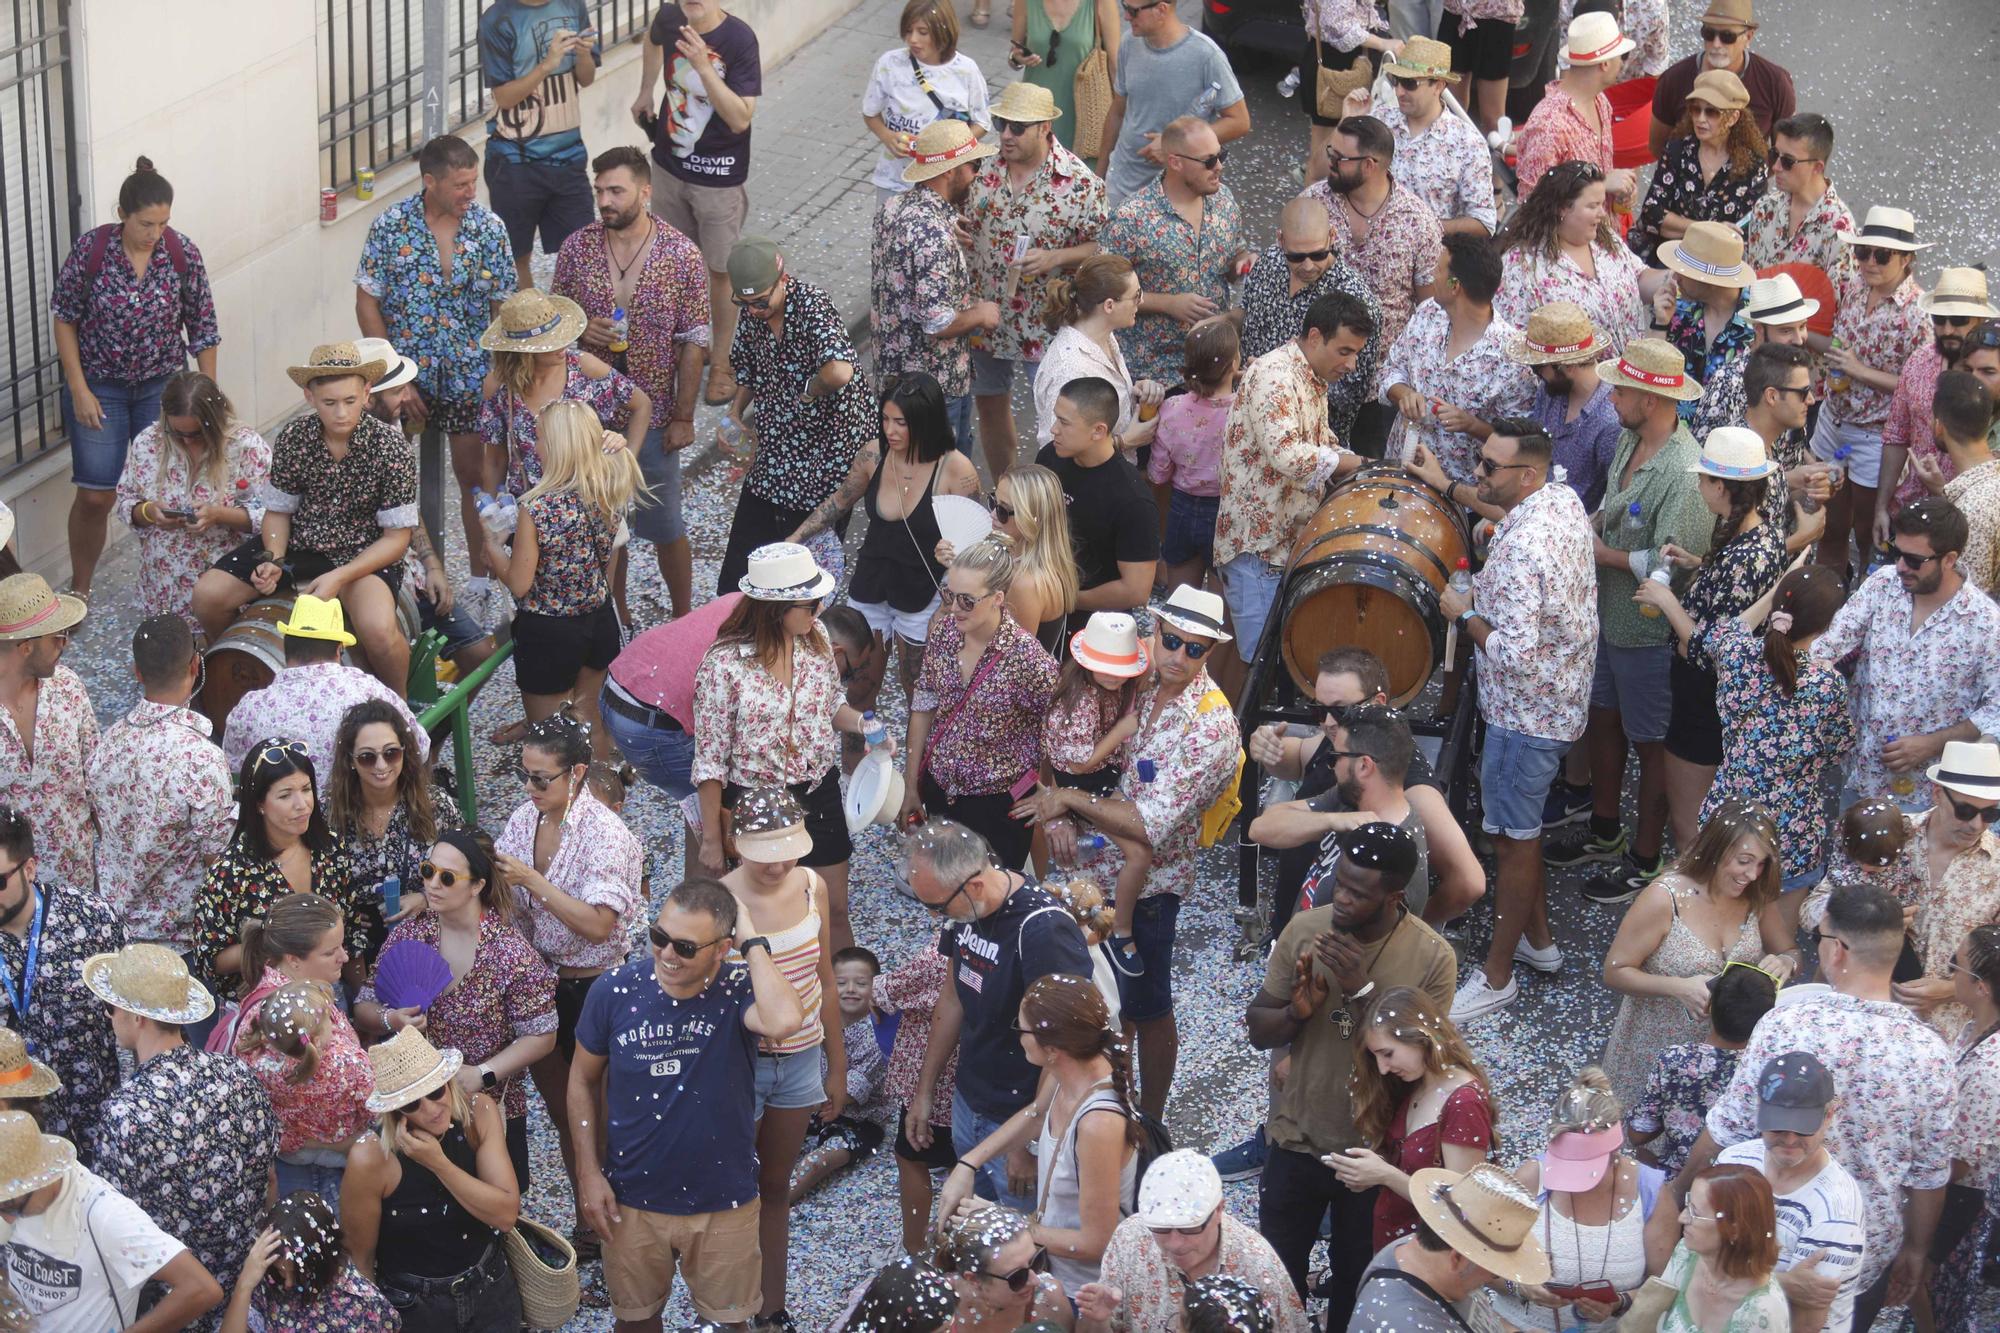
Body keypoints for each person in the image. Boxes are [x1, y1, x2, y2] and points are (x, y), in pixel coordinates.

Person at [1680, 883, 1956, 1331]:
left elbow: (1727, 1129)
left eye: (1820, 938)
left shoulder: (1785, 1024)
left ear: (1839, 950)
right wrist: (1916, 1251)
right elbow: (1929, 1175)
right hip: (1859, 1254)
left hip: (1761, 1238)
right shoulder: (1931, 1052)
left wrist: (1682, 1193)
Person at [1014, 588, 1241, 1115]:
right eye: (1172, 640)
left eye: (1195, 648)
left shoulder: (1210, 727)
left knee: (1146, 1008)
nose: (1178, 656)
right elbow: (1060, 742)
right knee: (1086, 1003)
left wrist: (1068, 800)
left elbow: (1148, 824)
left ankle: (1151, 1120)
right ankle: (1098, 1105)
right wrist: (1061, 812)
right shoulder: (1130, 665)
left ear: (1211, 653)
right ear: (1155, 629)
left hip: (1147, 892)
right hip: (1083, 870)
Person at [570, 877, 805, 1331]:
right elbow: (581, 1079)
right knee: (635, 1320)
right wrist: (587, 1171)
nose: (667, 954)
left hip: (724, 1198)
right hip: (632, 1197)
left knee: (731, 1322)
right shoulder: (615, 990)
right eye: (659, 937)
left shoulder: (739, 987)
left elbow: (784, 1020)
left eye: (684, 946)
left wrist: (752, 940)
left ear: (721, 949)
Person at [1246, 819, 1457, 1328]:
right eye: (1339, 882)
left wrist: (1361, 992)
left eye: (1357, 892)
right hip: (1297, 1138)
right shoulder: (1305, 931)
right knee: (1277, 1282)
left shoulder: (1432, 958)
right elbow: (1259, 1028)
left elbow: (1422, 1065)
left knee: (1357, 1283)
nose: (1340, 898)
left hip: (1374, 1155)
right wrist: (1297, 1014)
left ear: (1394, 896)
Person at [1432, 422, 1596, 1022]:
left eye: (1489, 468)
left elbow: (1514, 653)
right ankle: (1540, 943)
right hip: (1557, 704)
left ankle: (1497, 976)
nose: (1478, 475)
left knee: (1512, 842)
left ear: (1526, 476)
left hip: (1524, 716)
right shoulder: (1562, 498)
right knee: (1517, 835)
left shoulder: (1526, 545)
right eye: (1479, 462)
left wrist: (1463, 612)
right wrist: (1496, 530)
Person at [1544, 339, 1713, 906]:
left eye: (1621, 389)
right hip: (1608, 619)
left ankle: (1645, 856)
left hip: (1646, 632)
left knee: (1652, 744)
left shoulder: (1683, 473)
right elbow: (1612, 514)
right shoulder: (1628, 440)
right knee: (1604, 721)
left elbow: (1675, 565)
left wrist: (1600, 554)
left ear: (1652, 399)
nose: (1611, 396)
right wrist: (1586, 529)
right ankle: (1605, 828)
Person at [193, 344, 419, 692]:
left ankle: (398, 707)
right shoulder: (294, 437)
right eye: (329, 403)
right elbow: (278, 512)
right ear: (309, 397)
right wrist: (273, 559)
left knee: (378, 631)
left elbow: (396, 539)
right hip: (301, 543)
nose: (341, 412)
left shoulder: (391, 449)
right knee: (207, 596)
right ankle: (239, 679)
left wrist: (341, 577)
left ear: (366, 392)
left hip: (363, 553)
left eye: (350, 400)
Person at [898, 819, 1092, 1214]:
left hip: (1018, 1117)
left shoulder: (1043, 931)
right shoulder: (968, 909)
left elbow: (1068, 1043)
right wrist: (925, 1091)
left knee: (1020, 1249)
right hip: (970, 1103)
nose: (936, 917)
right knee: (979, 1237)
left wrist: (1029, 1141)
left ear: (974, 885)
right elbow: (953, 997)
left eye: (937, 907)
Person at [353, 137, 511, 614]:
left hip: (469, 375)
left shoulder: (488, 228)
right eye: (460, 184)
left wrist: (497, 373)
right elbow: (367, 301)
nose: (470, 192)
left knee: (474, 479)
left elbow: (504, 304)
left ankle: (481, 582)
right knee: (392, 478)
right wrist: (394, 379)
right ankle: (412, 580)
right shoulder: (390, 226)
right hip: (404, 381)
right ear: (430, 182)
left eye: (473, 182)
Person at [51, 157, 220, 602]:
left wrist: (208, 394)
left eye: (163, 222)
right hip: (100, 386)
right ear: (123, 214)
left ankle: (173, 585)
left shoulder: (181, 254)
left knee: (164, 493)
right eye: (147, 223)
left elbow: (203, 326)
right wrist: (79, 388)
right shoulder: (92, 250)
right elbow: (64, 318)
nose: (155, 233)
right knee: (96, 495)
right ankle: (81, 588)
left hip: (161, 388)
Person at [551, 146, 710, 618]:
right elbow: (556, 323)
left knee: (665, 526)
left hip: (657, 417)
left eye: (616, 191)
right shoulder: (577, 247)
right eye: (599, 190)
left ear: (645, 191)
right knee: (604, 525)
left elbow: (694, 342)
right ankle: (614, 618)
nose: (605, 201)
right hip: (588, 419)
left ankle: (684, 617)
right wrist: (582, 329)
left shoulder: (681, 254)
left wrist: (685, 415)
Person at [355, 832, 557, 1201]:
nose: (432, 884)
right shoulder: (411, 935)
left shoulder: (510, 954)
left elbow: (542, 1035)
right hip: (414, 1109)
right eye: (427, 871)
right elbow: (364, 1005)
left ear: (477, 885)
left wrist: (482, 1074)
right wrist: (392, 1020)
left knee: (497, 1213)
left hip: (488, 1110)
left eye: (447, 877)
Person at [84, 943, 279, 1318]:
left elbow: (118, 1235)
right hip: (250, 1288)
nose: (109, 1017)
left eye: (111, 1007)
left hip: (178, 1305)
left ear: (136, 1016)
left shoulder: (125, 1114)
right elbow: (269, 1177)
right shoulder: (237, 1074)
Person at [492, 710, 640, 1194]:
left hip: (595, 982)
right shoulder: (522, 819)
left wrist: (534, 881)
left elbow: (600, 925)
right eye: (523, 775)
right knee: (563, 1115)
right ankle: (588, 1225)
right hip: (541, 980)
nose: (530, 787)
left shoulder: (605, 834)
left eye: (539, 778)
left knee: (599, 1116)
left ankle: (614, 1223)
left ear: (575, 773)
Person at [693, 544, 868, 946]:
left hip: (817, 792)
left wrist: (863, 723)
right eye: (810, 604)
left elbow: (829, 706)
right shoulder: (723, 665)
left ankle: (841, 1003)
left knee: (834, 910)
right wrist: (711, 840)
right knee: (766, 920)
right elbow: (710, 761)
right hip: (757, 804)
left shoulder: (817, 638)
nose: (819, 610)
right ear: (776, 608)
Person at [718, 788, 844, 1325]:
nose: (780, 864)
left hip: (799, 1060)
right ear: (738, 845)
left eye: (788, 850)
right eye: (767, 853)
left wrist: (836, 1065)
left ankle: (772, 1308)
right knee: (729, 1191)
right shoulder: (715, 902)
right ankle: (728, 1305)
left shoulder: (813, 885)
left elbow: (826, 980)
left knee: (774, 1186)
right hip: (737, 1064)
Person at [1633, 428, 1788, 856]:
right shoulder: (1762, 533)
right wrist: (1699, 563)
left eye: (1704, 479)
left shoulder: (1744, 553)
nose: (1699, 487)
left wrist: (1667, 600)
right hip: (1720, 702)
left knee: (1691, 826)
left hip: (1705, 702)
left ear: (1722, 486)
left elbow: (1710, 649)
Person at [940, 973, 1138, 1290]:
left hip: (1083, 1289)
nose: (1017, 1037)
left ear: (1052, 1049)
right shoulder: (1070, 1066)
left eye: (1021, 1029)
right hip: (1055, 1267)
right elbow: (1035, 1115)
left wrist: (1007, 1222)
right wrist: (969, 1163)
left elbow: (1097, 1241)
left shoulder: (1098, 1124)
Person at [1598, 802, 1796, 1106]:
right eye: (1744, 861)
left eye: (1761, 864)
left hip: (1723, 1059)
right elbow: (1615, 970)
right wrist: (1679, 988)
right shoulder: (1664, 899)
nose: (1753, 874)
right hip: (1652, 1050)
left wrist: (1786, 962)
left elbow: (1790, 950)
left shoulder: (1756, 897)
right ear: (1716, 850)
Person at [1809, 497, 2000, 810]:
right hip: (1860, 776)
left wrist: (1931, 744)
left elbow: (1995, 710)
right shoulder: (1882, 585)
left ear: (1949, 559)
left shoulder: (1985, 623)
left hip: (1926, 797)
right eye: (1895, 552)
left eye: (1913, 560)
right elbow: (1829, 646)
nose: (1899, 566)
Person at [804, 373, 981, 707]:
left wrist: (955, 563)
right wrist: (795, 538)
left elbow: (980, 541)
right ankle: (856, 758)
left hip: (922, 593)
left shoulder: (957, 469)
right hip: (871, 584)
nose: (890, 431)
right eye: (885, 419)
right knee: (856, 690)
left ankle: (918, 760)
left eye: (900, 422)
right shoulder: (873, 455)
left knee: (918, 693)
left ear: (924, 422)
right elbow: (839, 502)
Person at [1212, 294, 1369, 669]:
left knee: (1277, 665)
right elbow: (1289, 455)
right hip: (1258, 549)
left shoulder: (1310, 377)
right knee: (1260, 665)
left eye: (1357, 353)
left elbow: (1321, 443)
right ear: (1315, 337)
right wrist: (1358, 462)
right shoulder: (1276, 376)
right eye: (1345, 351)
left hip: (1285, 545)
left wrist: (1360, 464)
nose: (1352, 364)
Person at [964, 81, 1109, 477]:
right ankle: (1006, 489)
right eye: (1001, 123)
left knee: (1056, 417)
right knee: (990, 403)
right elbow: (961, 216)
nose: (1005, 135)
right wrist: (958, 230)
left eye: (1017, 127)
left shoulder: (1079, 183)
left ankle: (1052, 501)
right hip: (986, 312)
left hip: (1042, 320)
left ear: (1045, 127)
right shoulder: (984, 168)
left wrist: (1055, 258)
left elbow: (1102, 247)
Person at [716, 237, 874, 596]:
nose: (754, 310)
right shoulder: (753, 313)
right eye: (745, 303)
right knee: (744, 559)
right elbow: (751, 369)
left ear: (783, 280)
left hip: (826, 450)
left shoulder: (811, 305)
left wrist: (808, 391)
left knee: (798, 568)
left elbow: (840, 371)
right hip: (778, 448)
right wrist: (735, 412)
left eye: (761, 302)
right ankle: (737, 613)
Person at [343, 1028, 524, 1329]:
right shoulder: (371, 1158)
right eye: (412, 1103)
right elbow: (361, 1258)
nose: (430, 1109)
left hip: (488, 1284)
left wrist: (439, 1164)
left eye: (435, 1091)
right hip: (414, 1305)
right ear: (395, 1111)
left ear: (448, 1083)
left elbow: (506, 1214)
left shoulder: (478, 1113)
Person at [483, 401, 641, 743]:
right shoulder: (607, 488)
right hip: (598, 621)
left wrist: (493, 549)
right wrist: (614, 440)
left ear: (557, 446)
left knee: (552, 740)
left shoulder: (536, 507)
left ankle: (563, 798)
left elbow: (520, 584)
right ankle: (599, 793)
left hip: (549, 632)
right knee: (592, 726)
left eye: (539, 438)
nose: (535, 446)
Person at [1250, 704, 1486, 927]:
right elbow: (1261, 828)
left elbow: (1352, 957)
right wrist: (1332, 820)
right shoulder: (1350, 799)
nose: (1332, 767)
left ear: (1364, 766)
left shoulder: (1388, 858)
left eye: (1336, 758)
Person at [635, 0, 762, 410]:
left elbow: (741, 117)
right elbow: (652, 41)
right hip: (669, 167)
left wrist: (703, 67)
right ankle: (685, 348)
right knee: (673, 265)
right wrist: (645, 90)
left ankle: (722, 363)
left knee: (720, 272)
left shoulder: (739, 39)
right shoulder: (671, 17)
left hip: (719, 178)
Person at [903, 539, 1060, 868]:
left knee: (993, 906)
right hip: (940, 790)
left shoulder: (1026, 658)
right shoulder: (945, 632)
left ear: (998, 599)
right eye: (949, 594)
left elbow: (1058, 728)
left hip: (997, 805)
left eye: (967, 600)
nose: (955, 607)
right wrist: (910, 784)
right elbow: (924, 703)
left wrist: (1050, 794)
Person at [1699, 566, 1854, 895]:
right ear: (1828, 624)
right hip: (1790, 833)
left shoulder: (1736, 654)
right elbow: (1838, 748)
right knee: (1779, 942)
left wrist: (1775, 594)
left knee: (1718, 931)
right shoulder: (1826, 684)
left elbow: (1724, 632)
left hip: (1727, 820)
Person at [88, 614, 234, 958]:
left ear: (137, 673)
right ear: (196, 665)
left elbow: (100, 823)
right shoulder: (200, 757)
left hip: (115, 934)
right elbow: (217, 856)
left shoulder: (108, 743)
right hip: (179, 944)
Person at [0, 1109, 223, 1329]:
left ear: (45, 1176)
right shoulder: (14, 1199)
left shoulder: (106, 1216)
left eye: (13, 1205)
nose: (7, 1219)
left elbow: (201, 1288)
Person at [1301, 114, 1446, 449]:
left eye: (1339, 158)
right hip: (1314, 377)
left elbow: (1428, 311)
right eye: (1330, 152)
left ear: (1369, 165)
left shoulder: (1418, 221)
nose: (1330, 163)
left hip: (1379, 386)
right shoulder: (1314, 203)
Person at [1487, 1067, 1667, 1331]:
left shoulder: (1649, 1192)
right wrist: (1520, 1286)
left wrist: (1619, 1303)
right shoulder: (1530, 1178)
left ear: (1615, 1151)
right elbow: (1482, 1262)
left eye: (1586, 1168)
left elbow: (1663, 1285)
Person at [1810, 206, 1933, 575]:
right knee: (1829, 524)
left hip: (1874, 435)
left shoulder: (1917, 314)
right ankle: (1826, 596)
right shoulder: (1856, 287)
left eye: (1881, 255)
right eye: (1863, 252)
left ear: (1907, 258)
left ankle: (1864, 593)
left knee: (1866, 529)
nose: (1868, 262)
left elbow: (1918, 385)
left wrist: (1860, 372)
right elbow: (1841, 346)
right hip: (1833, 418)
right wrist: (1806, 338)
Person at [192, 742, 368, 999]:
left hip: (331, 996)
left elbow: (351, 936)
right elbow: (210, 959)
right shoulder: (229, 872)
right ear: (259, 804)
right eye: (285, 795)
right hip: (264, 1007)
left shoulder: (330, 849)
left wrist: (363, 1000)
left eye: (306, 789)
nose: (302, 804)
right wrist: (273, 942)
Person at [1713, 1052, 1869, 1333]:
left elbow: (1804, 1320)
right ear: (1759, 1108)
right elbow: (1695, 1257)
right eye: (1779, 1125)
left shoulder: (1835, 1214)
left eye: (1803, 1128)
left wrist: (1729, 1277)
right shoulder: (1732, 1163)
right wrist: (1779, 1283)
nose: (1789, 1139)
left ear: (1829, 1115)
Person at [1330, 986, 1494, 1251]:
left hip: (1431, 1258)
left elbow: (1460, 1206)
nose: (1382, 1068)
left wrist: (1384, 1175)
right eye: (1376, 1057)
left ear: (1420, 1037)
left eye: (1388, 1054)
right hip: (1398, 1243)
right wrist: (1369, 1172)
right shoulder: (1415, 1082)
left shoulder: (1464, 1103)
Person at [871, 119, 1002, 450]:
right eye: (973, 165)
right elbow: (938, 321)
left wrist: (947, 224)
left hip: (895, 381)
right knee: (941, 488)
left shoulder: (892, 208)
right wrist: (982, 314)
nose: (976, 174)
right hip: (936, 389)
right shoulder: (933, 235)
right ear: (949, 171)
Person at [234, 902, 375, 1207]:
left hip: (294, 1161)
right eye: (330, 952)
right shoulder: (301, 1037)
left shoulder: (280, 1000)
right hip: (321, 1178)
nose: (345, 957)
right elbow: (366, 1094)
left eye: (342, 944)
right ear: (294, 960)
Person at [0, 807, 123, 1151]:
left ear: (29, 868)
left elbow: (133, 1015)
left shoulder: (92, 919)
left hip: (98, 1126)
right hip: (18, 1141)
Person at [1099, 117, 1251, 394]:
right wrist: (1167, 303)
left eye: (1221, 155)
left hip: (1214, 368)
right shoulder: (1132, 218)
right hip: (1155, 375)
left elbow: (1233, 253)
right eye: (1209, 161)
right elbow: (1102, 291)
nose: (1219, 166)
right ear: (1176, 162)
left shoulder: (1224, 201)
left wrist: (1241, 261)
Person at [1080, 1151, 1307, 1333]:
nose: (1175, 1243)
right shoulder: (1131, 1238)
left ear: (1218, 1210)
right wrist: (1098, 1320)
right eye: (1162, 1229)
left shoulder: (1260, 1269)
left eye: (1190, 1228)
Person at [112, 370, 269, 620]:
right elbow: (124, 501)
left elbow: (274, 519)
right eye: (177, 433)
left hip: (224, 591)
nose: (186, 441)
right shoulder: (148, 443)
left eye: (196, 434)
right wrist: (148, 511)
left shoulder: (245, 446)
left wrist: (219, 515)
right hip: (162, 588)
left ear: (215, 423)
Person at [220, 595, 428, 781]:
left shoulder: (250, 707)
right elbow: (419, 747)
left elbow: (234, 769)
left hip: (284, 822)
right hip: (359, 818)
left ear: (286, 648)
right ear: (339, 649)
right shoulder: (369, 690)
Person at [1379, 232, 1533, 483]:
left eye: (1438, 269)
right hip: (1400, 476)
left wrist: (1471, 425)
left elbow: (1519, 443)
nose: (1431, 275)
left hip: (1460, 495)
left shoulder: (1512, 360)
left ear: (1454, 286)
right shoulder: (1428, 313)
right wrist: (1403, 394)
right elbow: (1391, 369)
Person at [476, 288, 646, 505]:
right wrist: (491, 517)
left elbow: (641, 405)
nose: (563, 345)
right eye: (551, 341)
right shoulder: (499, 386)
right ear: (523, 350)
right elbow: (495, 460)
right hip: (529, 507)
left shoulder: (584, 367)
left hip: (590, 504)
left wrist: (626, 464)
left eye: (560, 335)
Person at [1237, 197, 1383, 447]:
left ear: (1332, 236)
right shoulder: (1269, 262)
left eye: (1318, 254)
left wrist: (1272, 377)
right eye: (1296, 256)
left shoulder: (1355, 300)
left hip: (1307, 441)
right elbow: (1247, 317)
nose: (1307, 265)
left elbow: (1347, 395)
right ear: (1280, 240)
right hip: (1248, 420)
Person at [1346, 1163, 1552, 1333]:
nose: (1492, 1277)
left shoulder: (1412, 1249)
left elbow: (1473, 1316)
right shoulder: (1406, 1324)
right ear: (1457, 1258)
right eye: (1492, 1268)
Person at [478, 0, 597, 291]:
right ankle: (529, 329)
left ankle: (580, 331)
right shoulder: (497, 19)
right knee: (517, 256)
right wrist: (546, 65)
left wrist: (583, 55)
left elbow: (587, 77)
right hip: (513, 162)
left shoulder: (572, 6)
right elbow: (504, 97)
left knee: (583, 253)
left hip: (569, 157)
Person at [326, 699, 456, 949]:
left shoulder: (435, 804)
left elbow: (471, 870)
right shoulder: (329, 813)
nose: (381, 765)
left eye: (391, 753)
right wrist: (341, 914)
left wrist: (425, 898)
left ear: (405, 752)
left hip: (429, 939)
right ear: (350, 760)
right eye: (367, 757)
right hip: (355, 949)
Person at [1628, 964, 1778, 1177]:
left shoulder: (1674, 1060)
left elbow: (1638, 1134)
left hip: (1674, 1183)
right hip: (1738, 1189)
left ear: (1708, 1006)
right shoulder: (1767, 1073)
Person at [601, 588, 743, 811]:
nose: (816, 613)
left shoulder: (738, 599)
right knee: (713, 811)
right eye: (811, 606)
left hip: (615, 686)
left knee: (701, 807)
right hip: (651, 724)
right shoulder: (768, 635)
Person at [1036, 377, 1161, 630]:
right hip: (1041, 608)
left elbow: (1136, 590)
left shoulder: (1133, 500)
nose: (1053, 429)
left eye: (1064, 422)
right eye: (1056, 418)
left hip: (1096, 628)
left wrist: (1066, 600)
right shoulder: (1050, 457)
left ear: (1098, 431)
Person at [1879, 271, 2000, 532]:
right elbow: (1896, 434)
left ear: (1981, 320)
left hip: (1963, 525)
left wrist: (1940, 489)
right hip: (1908, 510)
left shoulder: (1991, 383)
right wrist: (1881, 506)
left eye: (1958, 320)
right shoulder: (1920, 361)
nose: (1947, 330)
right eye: (1939, 319)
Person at [1097, 0, 1247, 207]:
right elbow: (1118, 112)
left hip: (1176, 195)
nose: (1126, 17)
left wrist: (1172, 144)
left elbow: (1239, 121)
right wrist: (1098, 176)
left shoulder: (1206, 56)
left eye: (1132, 11)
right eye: (1124, 7)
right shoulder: (1129, 43)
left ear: (1161, 10)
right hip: (1120, 186)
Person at [0, 575, 96, 891]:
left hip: (76, 885)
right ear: (26, 647)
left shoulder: (68, 688)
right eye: (57, 636)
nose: (65, 643)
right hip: (9, 898)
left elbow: (95, 779)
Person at [1495, 161, 1651, 354]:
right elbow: (1513, 344)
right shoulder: (1521, 266)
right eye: (1593, 206)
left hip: (1628, 378)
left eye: (1602, 204)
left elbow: (1640, 276)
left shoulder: (1605, 239)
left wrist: (1673, 280)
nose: (1602, 213)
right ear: (1562, 208)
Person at [1349, 39, 1495, 236]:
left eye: (1410, 83)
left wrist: (1421, 227)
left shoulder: (1467, 143)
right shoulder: (1379, 119)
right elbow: (1330, 174)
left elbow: (1484, 222)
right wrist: (1346, 122)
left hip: (1428, 260)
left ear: (1438, 86)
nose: (1399, 91)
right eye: (1395, 80)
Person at [877, 928, 964, 1254]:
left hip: (936, 1084)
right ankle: (959, 1249)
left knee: (911, 1155)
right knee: (964, 1162)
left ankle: (916, 1251)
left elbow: (890, 990)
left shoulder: (941, 957)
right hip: (976, 1082)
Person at [863, 0, 993, 208]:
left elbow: (982, 123)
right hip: (895, 180)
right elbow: (870, 114)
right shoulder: (889, 64)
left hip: (945, 185)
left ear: (943, 31)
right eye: (908, 30)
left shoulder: (966, 70)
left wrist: (947, 150)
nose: (913, 39)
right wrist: (888, 137)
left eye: (922, 32)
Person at [1934, 926, 2000, 1332]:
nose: (1949, 973)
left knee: (1945, 1294)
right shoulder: (1973, 1027)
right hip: (1954, 1189)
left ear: (1980, 987)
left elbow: (1961, 1161)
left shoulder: (1993, 1068)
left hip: (1965, 1202)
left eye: (1955, 967)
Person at [1630, 72, 1768, 265]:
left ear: (1733, 118)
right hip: (1663, 255)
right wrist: (1709, 229)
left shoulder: (1753, 167)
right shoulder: (1677, 150)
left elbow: (1746, 232)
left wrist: (1680, 225)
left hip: (1715, 265)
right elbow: (1651, 213)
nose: (1700, 119)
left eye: (1711, 112)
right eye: (1695, 109)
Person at [1032, 254, 1161, 454]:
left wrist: (1134, 393)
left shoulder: (1105, 337)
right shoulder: (1070, 369)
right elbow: (1057, 450)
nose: (1142, 300)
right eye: (1136, 295)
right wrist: (1125, 442)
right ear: (1109, 305)